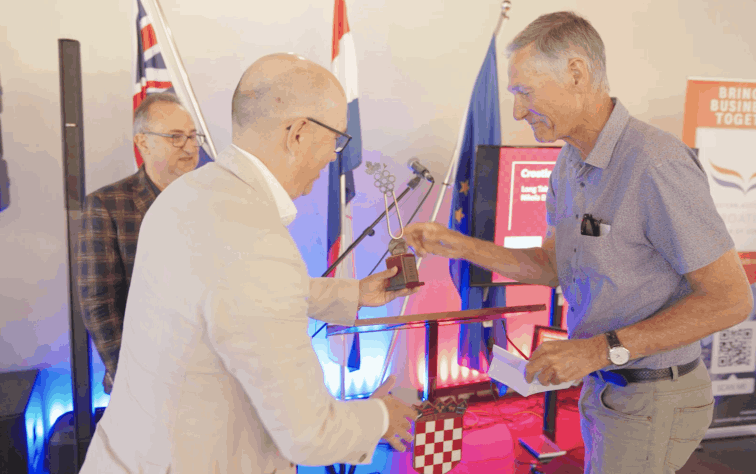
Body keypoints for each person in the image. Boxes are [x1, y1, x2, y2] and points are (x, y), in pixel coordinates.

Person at [403, 11, 753, 474]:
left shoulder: (656, 163)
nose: (517, 111)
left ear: (576, 73)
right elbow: (552, 266)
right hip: (607, 387)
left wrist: (595, 350)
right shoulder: (568, 163)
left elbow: (731, 300)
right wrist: (458, 245)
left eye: (525, 92)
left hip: (652, 394)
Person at [80, 53, 418, 474]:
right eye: (336, 140)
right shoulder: (254, 239)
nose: (335, 157)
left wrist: (355, 293)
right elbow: (309, 434)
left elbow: (228, 290)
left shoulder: (188, 193)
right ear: (298, 133)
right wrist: (381, 418)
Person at [76, 93, 201, 394]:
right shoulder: (107, 205)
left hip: (208, 373)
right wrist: (130, 377)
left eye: (193, 136)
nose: (189, 148)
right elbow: (99, 304)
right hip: (146, 376)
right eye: (176, 137)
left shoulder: (212, 199)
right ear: (143, 143)